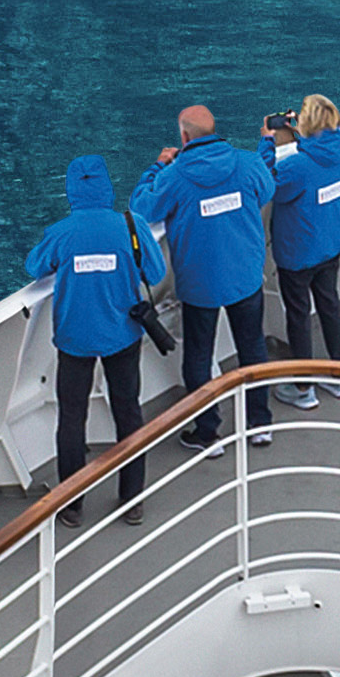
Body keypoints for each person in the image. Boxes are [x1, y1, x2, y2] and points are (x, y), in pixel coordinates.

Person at [143, 103, 273, 445]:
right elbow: (266, 190)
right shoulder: (248, 163)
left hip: (200, 283)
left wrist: (157, 166)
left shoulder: (174, 176)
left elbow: (144, 208)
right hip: (245, 275)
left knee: (199, 357)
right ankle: (259, 424)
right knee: (253, 348)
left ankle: (207, 433)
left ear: (184, 137)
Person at [30, 151, 149, 509]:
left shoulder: (61, 233)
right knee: (128, 411)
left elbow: (35, 266)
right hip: (123, 333)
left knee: (71, 418)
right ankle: (133, 498)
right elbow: (155, 272)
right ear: (107, 187)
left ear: (71, 191)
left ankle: (72, 505)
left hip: (75, 338)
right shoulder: (131, 225)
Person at [263, 93, 340, 369]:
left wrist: (268, 142)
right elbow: (324, 150)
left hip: (298, 254)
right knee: (330, 307)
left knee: (299, 315)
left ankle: (303, 384)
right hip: (330, 245)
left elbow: (266, 185)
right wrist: (302, 135)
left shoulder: (297, 167)